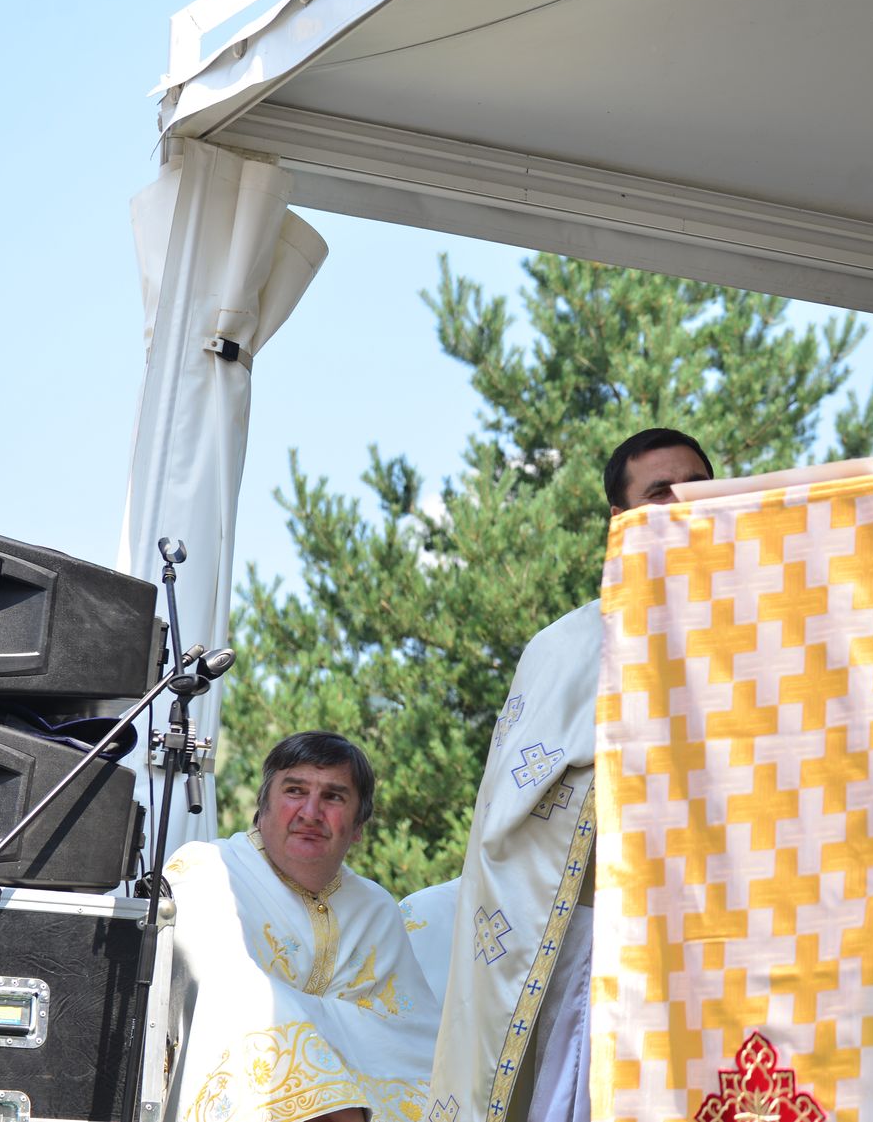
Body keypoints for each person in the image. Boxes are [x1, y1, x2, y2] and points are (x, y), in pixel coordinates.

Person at [429, 428, 713, 1122]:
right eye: (659, 493)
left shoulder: (769, 633)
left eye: (696, 488)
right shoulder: (567, 646)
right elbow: (507, 821)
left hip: (718, 941)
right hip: (604, 944)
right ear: (622, 522)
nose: (682, 504)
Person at [164, 731, 439, 1122]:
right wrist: (337, 1061)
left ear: (359, 826)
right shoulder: (207, 869)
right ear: (263, 810)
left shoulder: (375, 908)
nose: (311, 812)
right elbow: (233, 997)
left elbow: (413, 1041)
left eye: (334, 796)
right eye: (295, 790)